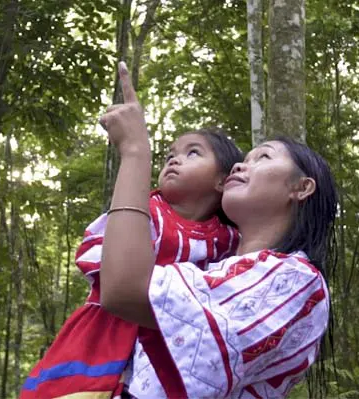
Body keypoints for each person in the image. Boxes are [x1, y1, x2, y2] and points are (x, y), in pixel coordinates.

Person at [97, 62, 337, 398]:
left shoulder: (298, 281)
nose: (242, 164)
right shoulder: (206, 268)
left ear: (301, 188)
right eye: (245, 159)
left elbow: (123, 290)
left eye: (263, 158)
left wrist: (135, 152)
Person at [19, 123, 244, 396]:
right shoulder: (142, 210)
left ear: (222, 180)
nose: (174, 159)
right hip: (104, 332)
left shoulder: (230, 239)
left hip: (173, 345)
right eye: (170, 155)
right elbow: (94, 251)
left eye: (193, 153)